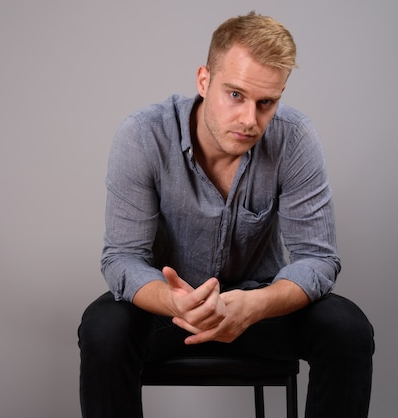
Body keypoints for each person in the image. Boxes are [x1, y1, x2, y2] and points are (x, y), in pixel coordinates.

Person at [78, 11, 374, 418]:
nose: (250, 120)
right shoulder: (143, 135)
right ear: (204, 80)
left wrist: (257, 304)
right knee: (103, 328)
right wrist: (173, 301)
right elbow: (122, 258)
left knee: (347, 328)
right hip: (169, 312)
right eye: (235, 94)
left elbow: (318, 259)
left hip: (260, 309)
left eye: (266, 102)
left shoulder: (295, 138)